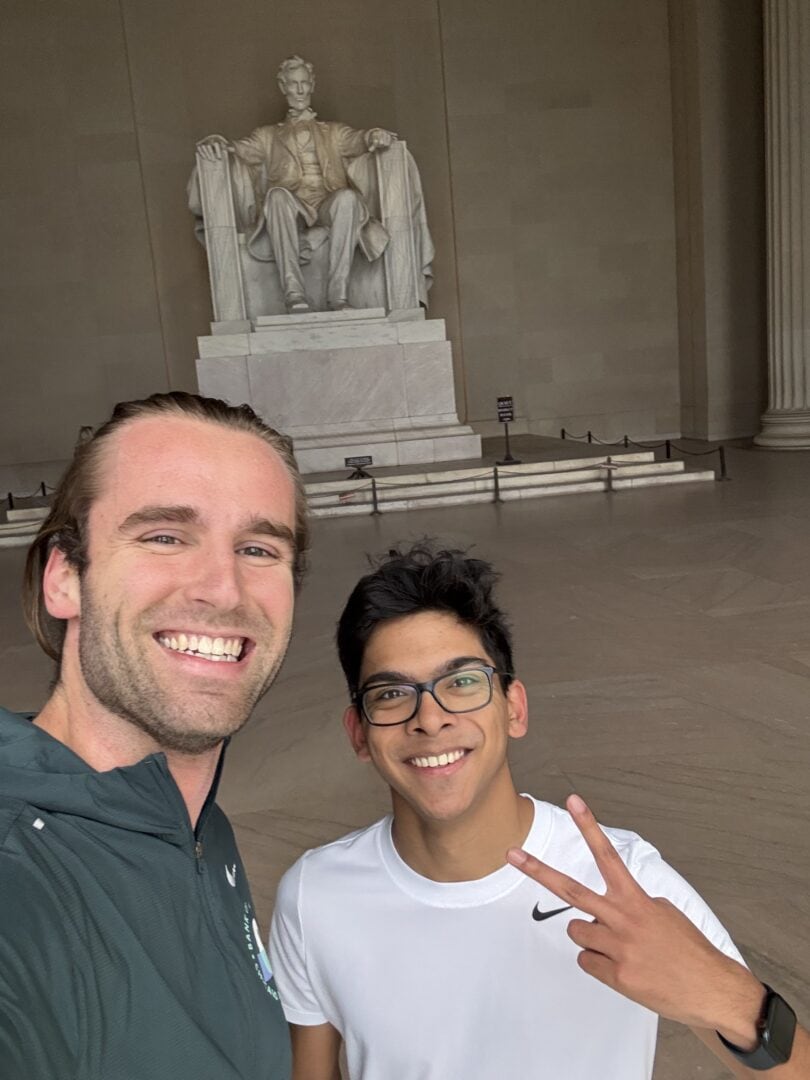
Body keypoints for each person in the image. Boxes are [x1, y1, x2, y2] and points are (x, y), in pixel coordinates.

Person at [269, 543, 809, 1079]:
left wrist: (726, 996)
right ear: (359, 734)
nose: (429, 719)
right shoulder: (314, 895)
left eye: (462, 683)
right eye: (391, 694)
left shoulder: (627, 884)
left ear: (515, 709)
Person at [0, 392, 309, 1080]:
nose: (223, 589)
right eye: (164, 535)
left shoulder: (200, 830)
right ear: (64, 579)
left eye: (258, 548)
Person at [196, 55, 396, 313]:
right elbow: (236, 149)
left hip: (327, 203)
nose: (300, 90)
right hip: (291, 206)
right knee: (277, 196)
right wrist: (216, 142)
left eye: (304, 83)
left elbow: (358, 140)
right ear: (283, 87)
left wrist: (373, 134)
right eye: (293, 84)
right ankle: (294, 294)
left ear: (312, 85)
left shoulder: (333, 132)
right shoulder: (267, 136)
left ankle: (339, 297)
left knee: (348, 198)